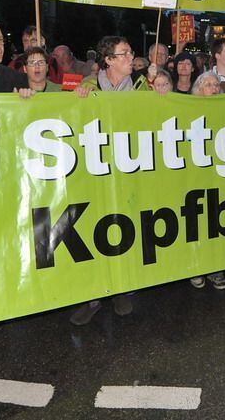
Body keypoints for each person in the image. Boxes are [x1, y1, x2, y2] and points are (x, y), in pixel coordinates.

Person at [70, 36, 146, 325]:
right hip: (95, 171)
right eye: (124, 54)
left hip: (128, 170)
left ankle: (121, 289)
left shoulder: (142, 88)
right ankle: (93, 295)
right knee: (95, 230)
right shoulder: (88, 87)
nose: (131, 58)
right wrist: (73, 102)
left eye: (130, 53)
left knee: (124, 227)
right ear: (109, 60)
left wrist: (162, 93)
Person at [187, 73, 225, 290]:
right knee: (197, 222)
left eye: (216, 85)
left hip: (219, 174)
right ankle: (196, 267)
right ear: (198, 88)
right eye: (208, 85)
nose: (214, 88)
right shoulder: (188, 109)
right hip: (196, 175)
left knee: (216, 221)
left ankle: (215, 269)